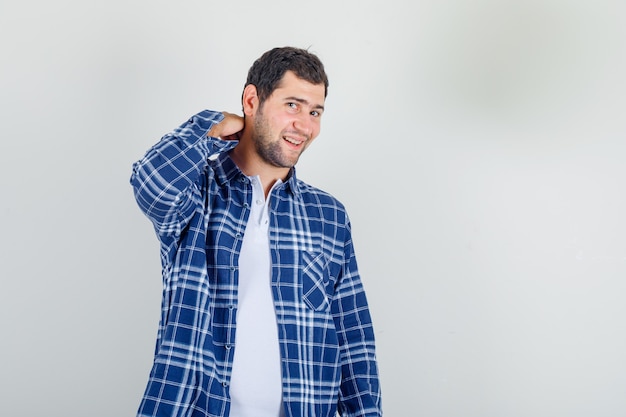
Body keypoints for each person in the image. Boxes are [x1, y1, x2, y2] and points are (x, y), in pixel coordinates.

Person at [130, 46, 382, 417]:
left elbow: (353, 339)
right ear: (252, 100)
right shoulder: (198, 192)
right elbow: (151, 184)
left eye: (315, 112)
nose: (305, 125)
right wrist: (210, 127)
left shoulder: (329, 216)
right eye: (292, 105)